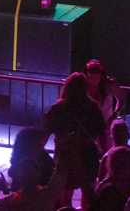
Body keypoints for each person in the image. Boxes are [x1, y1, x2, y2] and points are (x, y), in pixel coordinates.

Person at [43, 72, 106, 209]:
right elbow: (101, 131)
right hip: (87, 154)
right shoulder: (92, 108)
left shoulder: (59, 108)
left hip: (65, 154)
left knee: (65, 194)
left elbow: (46, 131)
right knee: (87, 194)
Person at [84, 59, 123, 148]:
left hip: (106, 125)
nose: (94, 80)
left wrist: (114, 115)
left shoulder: (109, 84)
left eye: (97, 76)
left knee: (106, 148)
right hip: (89, 125)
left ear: (101, 74)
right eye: (91, 77)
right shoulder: (84, 85)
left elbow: (121, 99)